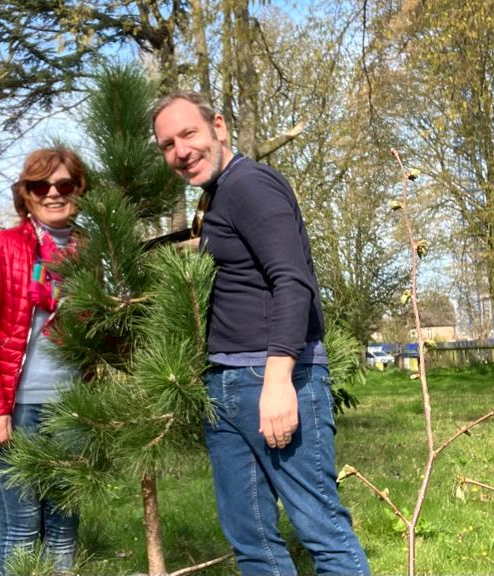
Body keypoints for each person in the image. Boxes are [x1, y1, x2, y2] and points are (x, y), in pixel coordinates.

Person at [151, 92, 371, 576]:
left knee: (323, 534)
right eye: (167, 144)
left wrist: (278, 381)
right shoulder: (220, 196)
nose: (180, 151)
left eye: (188, 134)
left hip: (270, 378)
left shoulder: (251, 184)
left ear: (219, 128)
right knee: (252, 543)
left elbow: (292, 280)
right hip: (225, 385)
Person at [0, 147, 86, 575]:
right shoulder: (0, 248)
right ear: (26, 194)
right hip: (19, 409)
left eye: (64, 184)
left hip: (76, 409)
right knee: (22, 525)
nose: (53, 193)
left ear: (79, 190)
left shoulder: (92, 253)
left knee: (65, 524)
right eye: (41, 185)